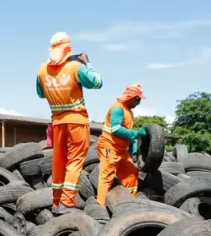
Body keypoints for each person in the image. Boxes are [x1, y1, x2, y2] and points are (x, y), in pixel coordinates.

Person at [36, 32, 103, 214]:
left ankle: (56, 202)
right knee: (74, 161)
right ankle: (67, 201)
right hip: (77, 121)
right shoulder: (76, 67)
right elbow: (98, 82)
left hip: (57, 123)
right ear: (68, 48)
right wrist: (87, 63)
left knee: (59, 161)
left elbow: (41, 93)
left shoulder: (42, 70)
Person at [96, 84, 147, 205]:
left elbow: (126, 132)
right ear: (131, 97)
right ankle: (101, 208)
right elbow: (116, 129)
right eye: (138, 99)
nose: (139, 103)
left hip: (121, 150)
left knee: (131, 173)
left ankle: (128, 203)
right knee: (107, 176)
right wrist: (136, 134)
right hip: (110, 147)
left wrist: (133, 146)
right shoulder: (118, 108)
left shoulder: (128, 111)